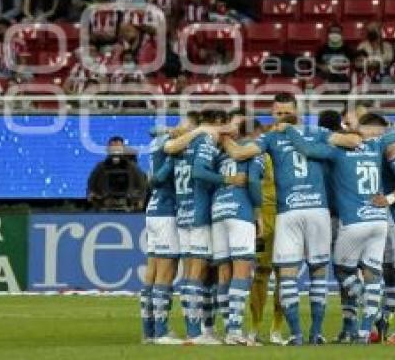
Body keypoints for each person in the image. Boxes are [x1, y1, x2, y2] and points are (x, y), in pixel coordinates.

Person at [221, 93, 362, 346]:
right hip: (311, 211)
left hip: (291, 213)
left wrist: (221, 135)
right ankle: (304, 334)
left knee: (290, 274)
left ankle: (304, 333)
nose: (281, 118)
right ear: (272, 114)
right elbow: (353, 141)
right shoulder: (316, 132)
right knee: (313, 274)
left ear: (297, 111)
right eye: (277, 114)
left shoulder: (271, 137)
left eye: (286, 113)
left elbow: (240, 154)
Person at [281, 112, 395, 345]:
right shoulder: (375, 145)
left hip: (353, 221)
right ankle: (364, 331)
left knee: (343, 270)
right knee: (373, 274)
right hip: (379, 218)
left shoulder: (337, 151)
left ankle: (367, 307)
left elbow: (306, 150)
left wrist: (290, 129)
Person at [151, 110, 242, 345]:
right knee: (196, 273)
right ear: (217, 123)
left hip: (182, 212)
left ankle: (163, 330)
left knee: (186, 272)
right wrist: (227, 180)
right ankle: (194, 333)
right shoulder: (203, 141)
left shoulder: (180, 147)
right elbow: (200, 172)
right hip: (199, 214)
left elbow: (159, 176)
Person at [142, 112, 202, 345]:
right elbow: (157, 179)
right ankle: (161, 332)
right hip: (166, 211)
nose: (182, 128)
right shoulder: (173, 148)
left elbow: (153, 132)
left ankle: (148, 332)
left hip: (153, 209)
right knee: (166, 273)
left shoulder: (158, 140)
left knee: (152, 273)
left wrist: (169, 131)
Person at [209, 118, 264, 346]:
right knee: (242, 271)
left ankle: (228, 329)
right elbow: (252, 181)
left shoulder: (220, 156)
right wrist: (258, 212)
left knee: (224, 272)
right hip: (240, 211)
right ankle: (234, 330)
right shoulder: (253, 152)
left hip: (218, 210)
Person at [86, 136, 148, 211]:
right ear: (108, 149)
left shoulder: (132, 168)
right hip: (105, 206)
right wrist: (95, 196)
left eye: (118, 147)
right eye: (113, 147)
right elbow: (91, 186)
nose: (115, 150)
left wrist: (138, 200)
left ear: (123, 149)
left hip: (127, 207)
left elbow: (141, 186)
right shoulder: (100, 168)